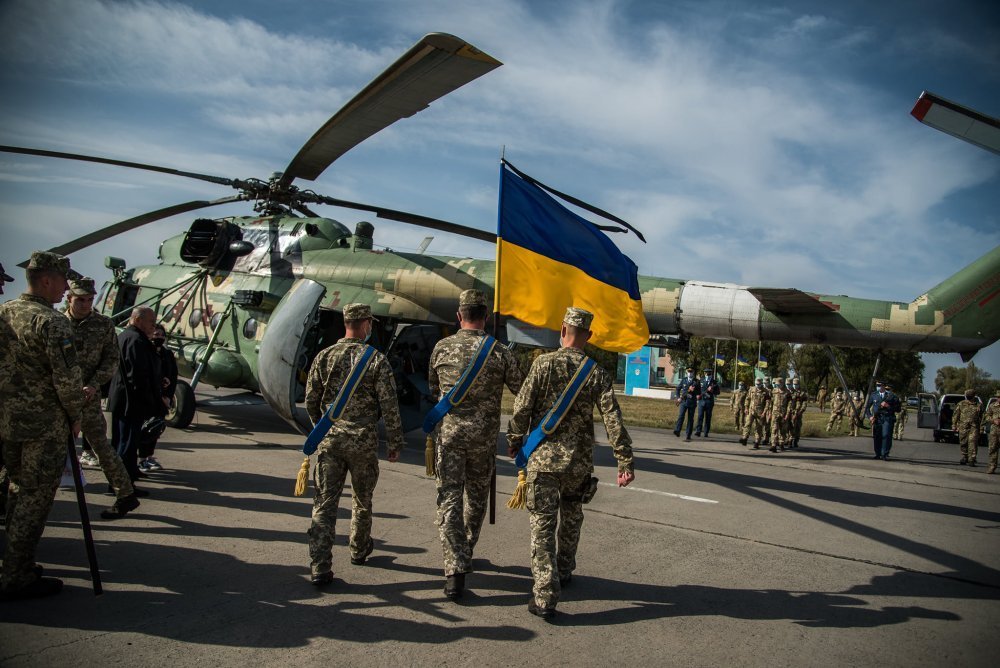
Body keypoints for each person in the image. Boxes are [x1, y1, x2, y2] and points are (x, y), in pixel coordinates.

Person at [506, 307, 634, 620]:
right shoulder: (597, 373)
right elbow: (612, 418)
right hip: (578, 464)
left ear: (563, 330)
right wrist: (624, 460)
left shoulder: (543, 363)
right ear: (589, 336)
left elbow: (522, 407)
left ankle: (545, 596)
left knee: (543, 526)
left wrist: (514, 439)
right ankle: (564, 570)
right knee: (572, 518)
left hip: (544, 462)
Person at [427, 289, 524, 599]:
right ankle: (465, 549)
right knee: (477, 499)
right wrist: (517, 435)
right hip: (483, 441)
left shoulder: (441, 348)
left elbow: (433, 389)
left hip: (450, 438)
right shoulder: (500, 353)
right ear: (486, 317)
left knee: (449, 498)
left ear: (459, 316)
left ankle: (455, 566)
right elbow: (523, 393)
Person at [0, 251, 84, 600]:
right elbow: (67, 379)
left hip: (8, 422)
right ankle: (16, 576)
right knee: (34, 499)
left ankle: (13, 563)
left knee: (16, 489)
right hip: (43, 426)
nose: (66, 289)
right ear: (47, 280)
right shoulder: (52, 322)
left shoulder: (5, 312)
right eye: (64, 281)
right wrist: (75, 415)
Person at [304, 303, 404, 586]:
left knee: (325, 503)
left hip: (331, 441)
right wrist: (394, 441)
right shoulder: (376, 360)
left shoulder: (324, 357)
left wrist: (323, 428)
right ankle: (359, 550)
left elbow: (311, 400)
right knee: (362, 499)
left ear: (346, 323)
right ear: (366, 324)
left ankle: (320, 566)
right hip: (363, 442)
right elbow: (389, 405)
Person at [64, 278, 141, 518]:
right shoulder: (56, 322)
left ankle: (125, 494)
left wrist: (94, 384)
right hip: (59, 398)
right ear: (69, 299)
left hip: (88, 398)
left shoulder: (103, 324)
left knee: (102, 447)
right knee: (45, 447)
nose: (86, 305)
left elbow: (111, 359)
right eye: (80, 300)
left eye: (89, 300)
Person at [108, 306, 160, 487]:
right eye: (151, 322)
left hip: (125, 400)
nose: (154, 326)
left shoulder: (127, 336)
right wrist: (149, 400)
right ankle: (121, 486)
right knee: (126, 444)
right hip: (131, 402)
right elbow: (136, 375)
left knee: (125, 442)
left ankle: (128, 475)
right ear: (138, 320)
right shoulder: (135, 340)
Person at [139, 323, 177, 473]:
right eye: (156, 335)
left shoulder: (167, 354)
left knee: (155, 429)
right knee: (145, 429)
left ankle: (149, 456)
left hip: (162, 399)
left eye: (161, 335)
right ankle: (142, 458)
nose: (159, 338)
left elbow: (173, 376)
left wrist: (168, 397)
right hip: (148, 398)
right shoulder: (145, 352)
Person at [865, 381, 901, 460]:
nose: (878, 387)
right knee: (877, 436)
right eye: (877, 385)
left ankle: (884, 454)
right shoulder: (874, 395)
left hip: (887, 418)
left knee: (886, 435)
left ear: (884, 386)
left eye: (879, 385)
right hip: (877, 419)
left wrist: (888, 406)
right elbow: (867, 407)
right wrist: (870, 416)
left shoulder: (892, 396)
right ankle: (877, 454)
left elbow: (898, 409)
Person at [951, 389, 982, 467]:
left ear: (973, 396)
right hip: (963, 427)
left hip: (974, 427)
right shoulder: (961, 404)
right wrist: (954, 425)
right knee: (963, 442)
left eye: (970, 395)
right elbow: (956, 415)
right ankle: (965, 456)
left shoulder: (978, 405)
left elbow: (982, 417)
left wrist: (981, 428)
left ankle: (972, 459)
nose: (968, 396)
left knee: (972, 442)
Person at [739, 378, 769, 449]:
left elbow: (768, 403)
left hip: (760, 412)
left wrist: (764, 412)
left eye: (758, 384)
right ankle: (744, 438)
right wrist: (746, 408)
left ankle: (757, 442)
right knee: (747, 424)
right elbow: (748, 399)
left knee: (758, 428)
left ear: (761, 384)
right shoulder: (752, 389)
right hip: (751, 410)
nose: (757, 385)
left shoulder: (765, 391)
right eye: (756, 384)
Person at [674, 366, 699, 441]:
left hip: (692, 402)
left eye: (691, 372)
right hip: (684, 401)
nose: (689, 373)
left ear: (693, 373)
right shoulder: (684, 380)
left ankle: (688, 434)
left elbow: (699, 392)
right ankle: (677, 430)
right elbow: (678, 389)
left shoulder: (696, 381)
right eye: (688, 372)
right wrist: (678, 397)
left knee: (690, 419)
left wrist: (694, 390)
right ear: (687, 372)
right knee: (681, 416)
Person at [694, 368, 721, 438]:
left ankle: (706, 432)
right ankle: (698, 431)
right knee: (700, 416)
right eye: (706, 373)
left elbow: (718, 392)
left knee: (708, 417)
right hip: (701, 401)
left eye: (709, 373)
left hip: (709, 402)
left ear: (711, 374)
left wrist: (712, 391)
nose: (707, 375)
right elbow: (696, 389)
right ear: (704, 373)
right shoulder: (701, 380)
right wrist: (697, 395)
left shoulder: (714, 382)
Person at [769, 377, 792, 452]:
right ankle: (773, 445)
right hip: (775, 413)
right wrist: (769, 412)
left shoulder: (787, 393)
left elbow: (789, 405)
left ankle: (781, 443)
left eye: (779, 384)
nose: (778, 386)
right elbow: (771, 402)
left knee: (783, 430)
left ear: (782, 384)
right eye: (777, 384)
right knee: (774, 429)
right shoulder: (774, 391)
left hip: (783, 413)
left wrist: (787, 414)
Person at [788, 377, 809, 448]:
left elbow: (804, 403)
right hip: (791, 412)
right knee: (791, 426)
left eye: (796, 384)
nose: (795, 385)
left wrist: (801, 411)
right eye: (794, 384)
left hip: (799, 413)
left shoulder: (802, 394)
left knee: (797, 427)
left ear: (799, 385)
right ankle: (790, 440)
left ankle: (796, 441)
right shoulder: (790, 392)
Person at [984, 391, 1000, 474]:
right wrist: (993, 420)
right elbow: (987, 416)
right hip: (994, 430)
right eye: (998, 397)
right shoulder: (992, 405)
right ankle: (992, 467)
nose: (999, 399)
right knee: (992, 449)